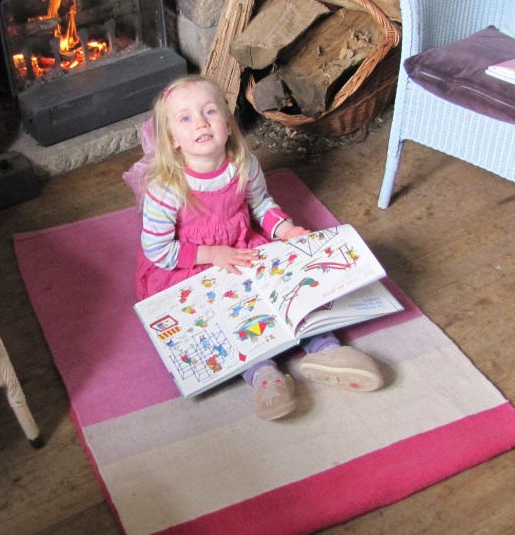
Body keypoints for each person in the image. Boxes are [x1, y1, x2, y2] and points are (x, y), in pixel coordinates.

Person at [129, 74, 383, 421]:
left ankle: (326, 347)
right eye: (185, 118)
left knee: (285, 286)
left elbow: (260, 204)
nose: (201, 122)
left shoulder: (242, 163)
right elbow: (158, 250)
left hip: (242, 244)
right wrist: (212, 255)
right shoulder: (167, 187)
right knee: (225, 313)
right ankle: (264, 374)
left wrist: (285, 228)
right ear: (172, 138)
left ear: (227, 121)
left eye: (209, 111)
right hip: (190, 262)